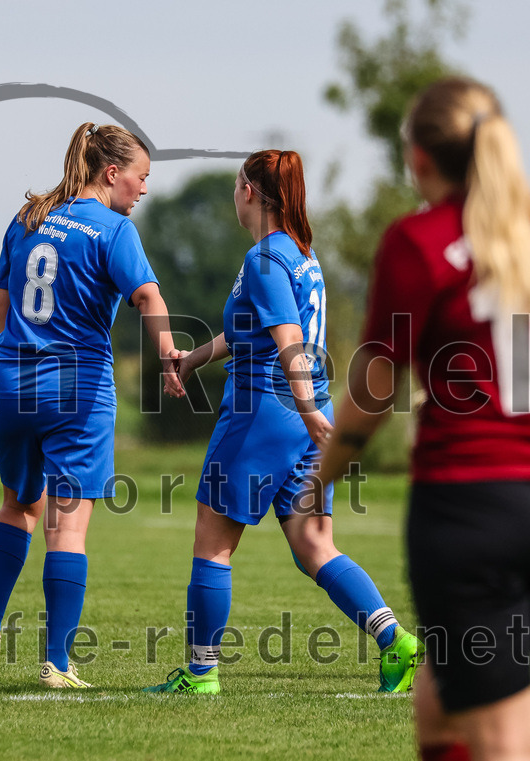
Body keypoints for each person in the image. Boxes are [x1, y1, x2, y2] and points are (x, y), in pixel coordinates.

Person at [305, 77, 530, 761]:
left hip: (468, 505)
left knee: (499, 735)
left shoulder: (420, 241)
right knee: (438, 701)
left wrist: (322, 478)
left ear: (420, 158)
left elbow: (374, 391)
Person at [144, 150, 420, 695]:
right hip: (304, 413)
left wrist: (306, 407)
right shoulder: (299, 254)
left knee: (213, 540)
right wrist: (192, 360)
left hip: (264, 413)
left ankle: (200, 673)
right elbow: (251, 332)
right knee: (314, 544)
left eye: (236, 186)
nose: (234, 195)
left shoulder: (264, 258)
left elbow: (288, 337)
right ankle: (396, 641)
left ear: (248, 191)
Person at [0, 122, 184, 688]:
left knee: (17, 504)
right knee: (66, 527)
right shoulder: (114, 229)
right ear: (111, 173)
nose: (144, 189)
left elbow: (0, 307)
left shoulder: (29, 216)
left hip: (10, 382)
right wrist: (167, 354)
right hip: (77, 387)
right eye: (140, 177)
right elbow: (147, 296)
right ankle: (57, 663)